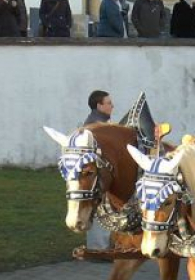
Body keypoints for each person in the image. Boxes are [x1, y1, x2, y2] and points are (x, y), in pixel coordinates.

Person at [83, 90, 114, 251]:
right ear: (99, 105)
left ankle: (101, 247)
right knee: (99, 210)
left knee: (104, 210)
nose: (112, 106)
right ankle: (98, 249)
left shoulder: (101, 123)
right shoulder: (95, 126)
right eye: (108, 103)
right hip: (97, 175)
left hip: (101, 174)